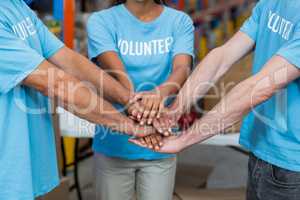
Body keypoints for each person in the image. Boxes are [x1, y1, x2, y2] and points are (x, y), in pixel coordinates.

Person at [133, 0, 300, 199]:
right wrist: (175, 110)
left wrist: (184, 139)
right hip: (263, 148)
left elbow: (258, 89)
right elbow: (222, 56)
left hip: (292, 164)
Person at [0, 0, 156, 199]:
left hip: (20, 164)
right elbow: (55, 84)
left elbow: (68, 59)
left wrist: (130, 101)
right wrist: (130, 126)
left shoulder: (15, 5)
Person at [86, 0, 194, 199]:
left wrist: (160, 93)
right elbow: (118, 74)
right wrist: (143, 118)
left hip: (160, 143)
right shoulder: (101, 21)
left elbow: (181, 69)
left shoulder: (179, 21)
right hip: (113, 142)